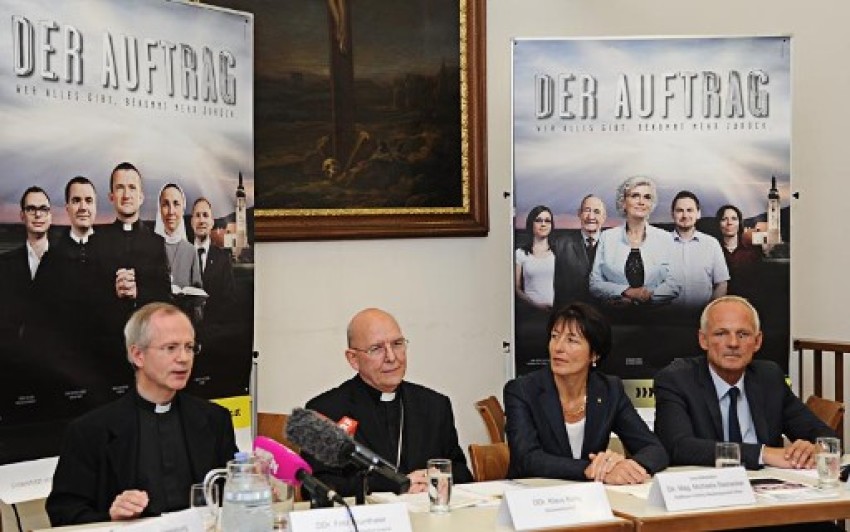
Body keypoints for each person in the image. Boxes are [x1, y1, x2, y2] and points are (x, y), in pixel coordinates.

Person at [46, 302, 238, 526]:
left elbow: (231, 493)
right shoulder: (89, 431)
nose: (184, 358)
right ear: (138, 355)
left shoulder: (214, 419)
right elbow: (63, 513)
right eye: (171, 347)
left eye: (189, 347)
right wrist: (111, 516)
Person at [304, 308, 473, 497]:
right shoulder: (325, 411)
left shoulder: (435, 405)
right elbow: (318, 486)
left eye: (397, 344)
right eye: (377, 349)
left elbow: (462, 473)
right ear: (353, 359)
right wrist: (392, 485)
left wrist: (434, 477)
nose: (392, 357)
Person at [654, 296, 835, 469]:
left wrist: (814, 449)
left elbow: (825, 436)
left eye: (743, 334)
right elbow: (678, 446)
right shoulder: (677, 379)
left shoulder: (769, 377)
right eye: (721, 333)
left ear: (757, 341)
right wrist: (763, 454)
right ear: (703, 340)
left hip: (768, 490)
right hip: (707, 488)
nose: (733, 343)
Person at [504, 302, 668, 483]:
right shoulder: (522, 390)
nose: (558, 347)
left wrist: (624, 467)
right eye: (554, 336)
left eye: (571, 340)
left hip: (590, 499)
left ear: (594, 354)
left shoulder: (609, 390)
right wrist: (591, 469)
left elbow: (653, 448)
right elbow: (527, 459)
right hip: (535, 497)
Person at [94, 162, 171, 382]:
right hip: (108, 351)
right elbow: (89, 298)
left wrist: (139, 293)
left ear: (141, 197)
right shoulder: (97, 240)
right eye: (120, 188)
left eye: (132, 188)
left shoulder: (157, 243)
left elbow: (165, 296)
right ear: (111, 196)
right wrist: (113, 292)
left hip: (148, 350)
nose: (126, 194)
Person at [589, 176, 679, 306]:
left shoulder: (665, 238)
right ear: (623, 202)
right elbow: (595, 284)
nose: (641, 201)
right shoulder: (607, 237)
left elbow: (675, 283)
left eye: (647, 197)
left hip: (657, 317)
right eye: (635, 195)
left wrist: (647, 297)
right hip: (616, 315)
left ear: (651, 204)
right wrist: (625, 292)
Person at [669, 191, 728, 309]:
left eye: (690, 210)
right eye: (680, 210)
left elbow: (722, 284)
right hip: (667, 319)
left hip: (702, 319)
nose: (685, 215)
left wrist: (709, 311)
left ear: (698, 214)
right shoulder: (660, 244)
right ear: (672, 214)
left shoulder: (711, 244)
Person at [552, 194, 606, 309]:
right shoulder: (560, 245)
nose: (591, 216)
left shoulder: (614, 245)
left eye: (596, 211)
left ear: (604, 217)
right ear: (579, 214)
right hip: (572, 316)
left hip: (608, 318)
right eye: (587, 210)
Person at [191, 197, 236, 326]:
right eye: (197, 216)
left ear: (212, 222)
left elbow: (230, 301)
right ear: (191, 221)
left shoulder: (223, 258)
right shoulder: (182, 253)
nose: (201, 220)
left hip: (214, 334)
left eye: (205, 215)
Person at [154, 183, 201, 291]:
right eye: (165, 204)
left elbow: (198, 297)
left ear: (183, 209)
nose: (171, 212)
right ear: (159, 209)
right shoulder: (149, 247)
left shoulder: (191, 251)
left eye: (176, 204)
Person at [716, 204, 762, 299]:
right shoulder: (713, 251)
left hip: (747, 304)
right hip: (720, 304)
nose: (729, 223)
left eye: (734, 219)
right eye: (724, 219)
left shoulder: (753, 251)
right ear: (719, 224)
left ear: (739, 223)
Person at [515, 205, 555, 311]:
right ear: (531, 224)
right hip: (530, 312)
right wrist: (535, 305)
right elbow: (516, 288)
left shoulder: (558, 253)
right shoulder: (520, 253)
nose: (543, 224)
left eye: (547, 221)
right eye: (538, 220)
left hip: (556, 312)